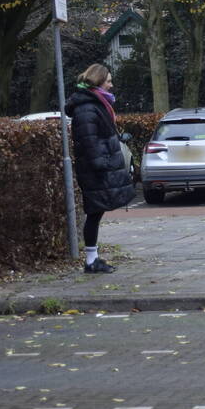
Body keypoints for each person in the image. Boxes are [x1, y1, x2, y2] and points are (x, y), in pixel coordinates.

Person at [64, 64, 135, 274]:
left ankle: (92, 259)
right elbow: (88, 139)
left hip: (98, 166)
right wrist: (102, 164)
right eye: (109, 81)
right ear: (99, 81)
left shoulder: (96, 103)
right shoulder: (87, 107)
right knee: (94, 212)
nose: (111, 85)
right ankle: (90, 261)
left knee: (97, 212)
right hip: (95, 169)